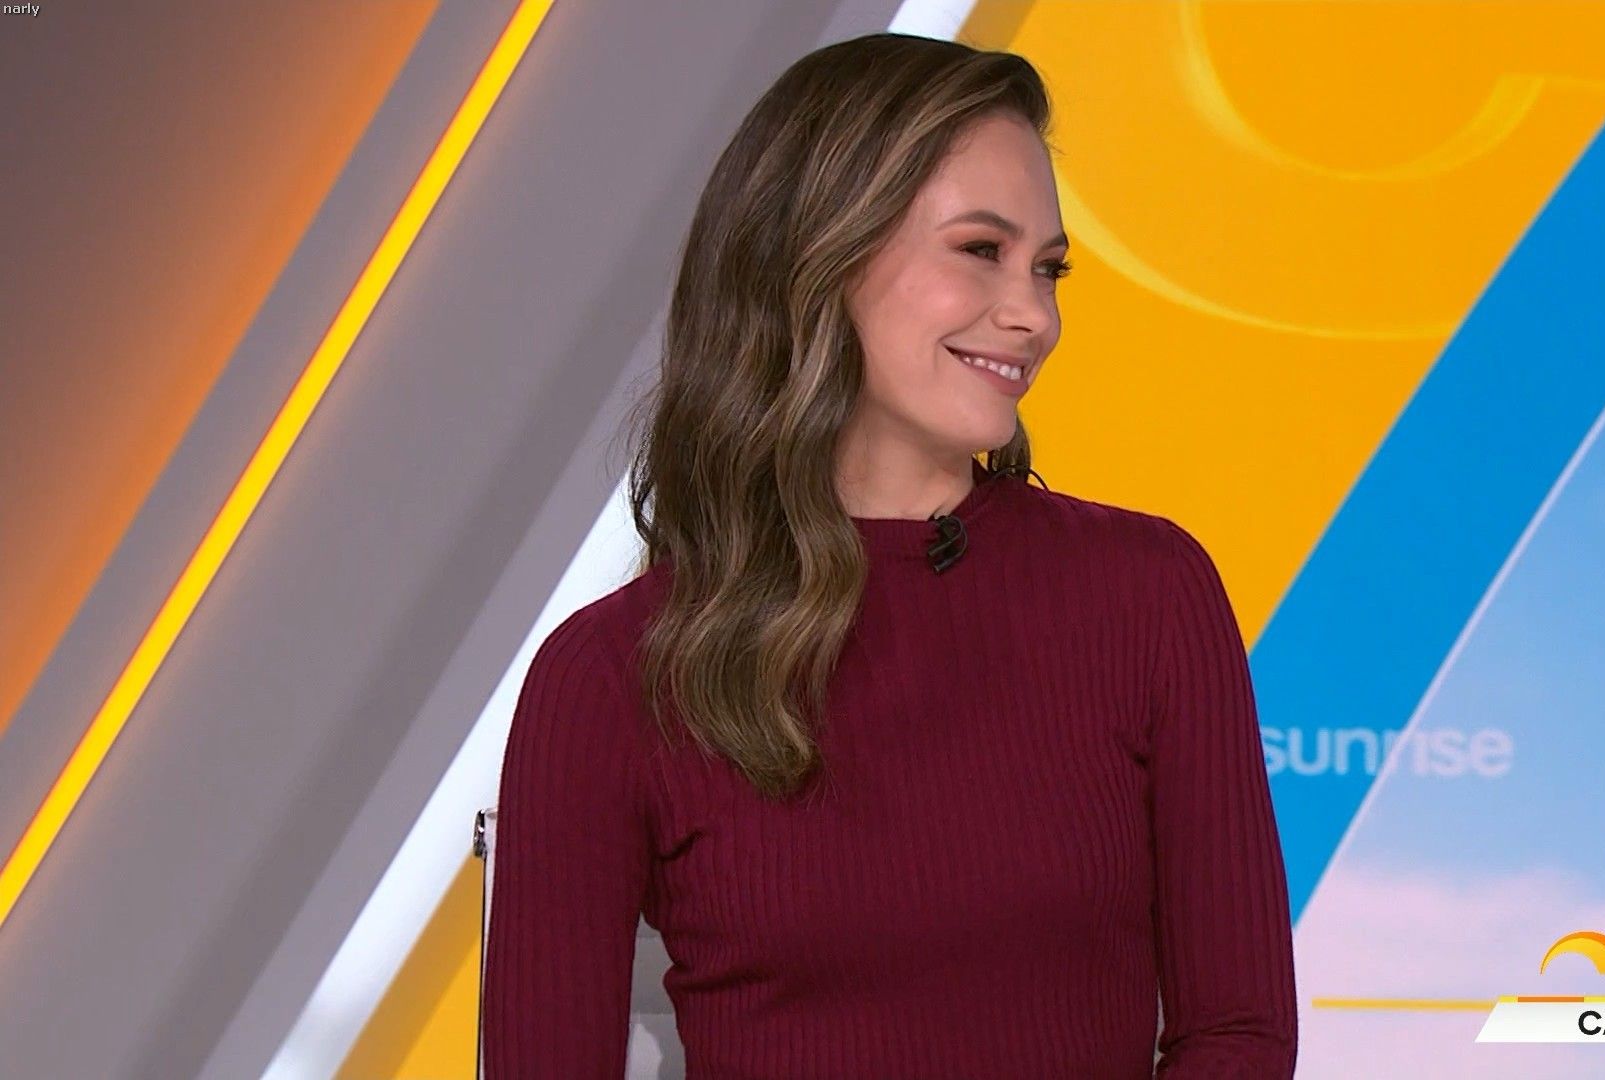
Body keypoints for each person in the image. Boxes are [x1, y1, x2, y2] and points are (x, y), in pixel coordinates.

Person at [482, 30, 1297, 1079]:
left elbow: (1238, 1034)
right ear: (819, 257)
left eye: (1048, 269)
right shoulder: (611, 675)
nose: (1034, 316)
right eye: (980, 250)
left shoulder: (1148, 595)